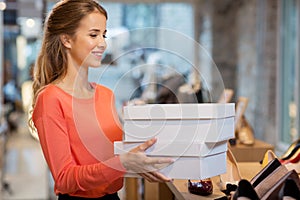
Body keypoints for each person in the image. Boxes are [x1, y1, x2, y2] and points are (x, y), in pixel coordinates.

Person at [29, 0, 173, 199]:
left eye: (104, 35)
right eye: (93, 35)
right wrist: (123, 163)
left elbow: (108, 161)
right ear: (66, 40)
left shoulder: (106, 95)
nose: (103, 43)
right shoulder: (51, 99)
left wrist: (137, 161)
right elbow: (64, 179)